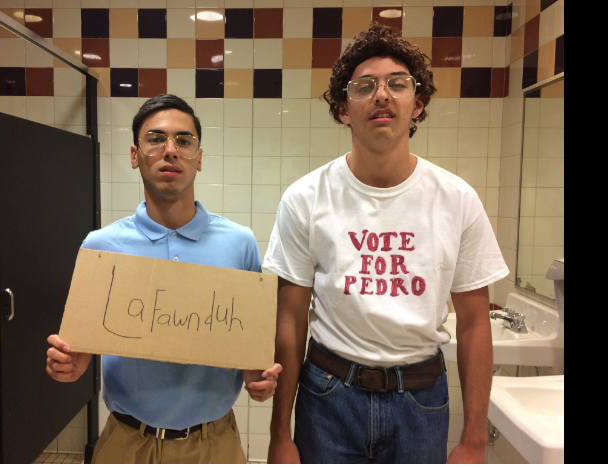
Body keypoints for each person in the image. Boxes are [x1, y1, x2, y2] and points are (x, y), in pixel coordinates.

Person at [264, 23, 509, 464]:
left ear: (417, 104)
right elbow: (291, 318)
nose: (382, 95)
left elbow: (474, 322)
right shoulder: (305, 198)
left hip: (422, 400)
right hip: (327, 396)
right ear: (343, 109)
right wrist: (279, 434)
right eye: (365, 86)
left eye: (397, 84)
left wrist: (474, 439)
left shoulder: (456, 199)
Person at [45, 94, 282, 464]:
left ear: (198, 158)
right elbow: (80, 352)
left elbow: (249, 354)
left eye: (183, 141)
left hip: (214, 445)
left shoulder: (239, 243)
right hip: (127, 443)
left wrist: (261, 379)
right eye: (155, 139)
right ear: (135, 155)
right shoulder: (102, 246)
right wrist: (68, 366)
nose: (170, 150)